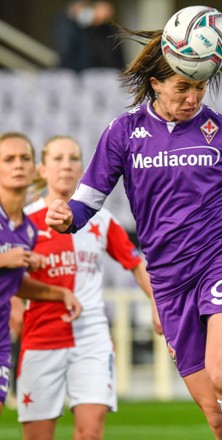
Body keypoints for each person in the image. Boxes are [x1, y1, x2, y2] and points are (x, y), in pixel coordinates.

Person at [45, 27, 222, 440]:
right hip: (169, 283)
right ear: (156, 83)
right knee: (217, 417)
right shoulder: (122, 133)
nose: (193, 98)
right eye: (182, 88)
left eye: (200, 87)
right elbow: (85, 206)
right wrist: (65, 217)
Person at [16, 135, 161, 440]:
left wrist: (158, 305)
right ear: (42, 170)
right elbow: (10, 279)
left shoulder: (101, 220)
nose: (66, 166)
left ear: (82, 168)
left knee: (90, 433)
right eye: (57, 159)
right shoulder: (25, 223)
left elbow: (136, 265)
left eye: (73, 158)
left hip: (91, 338)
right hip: (41, 337)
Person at [0, 132, 81, 416]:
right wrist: (5, 259)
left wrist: (61, 294)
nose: (18, 165)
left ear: (35, 168)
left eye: (24, 158)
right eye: (9, 159)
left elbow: (17, 284)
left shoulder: (28, 229)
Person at [51, 0, 125, 72]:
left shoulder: (109, 29)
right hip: (77, 72)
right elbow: (66, 50)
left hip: (106, 72)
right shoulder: (67, 24)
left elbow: (118, 56)